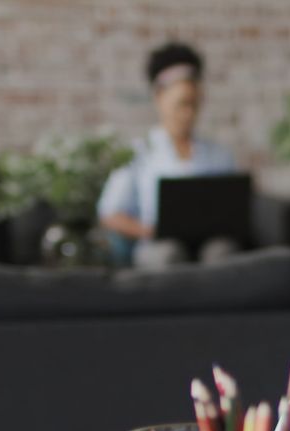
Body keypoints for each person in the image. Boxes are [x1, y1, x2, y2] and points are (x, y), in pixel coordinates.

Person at [97, 41, 238, 268]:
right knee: (169, 254)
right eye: (181, 104)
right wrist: (151, 230)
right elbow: (110, 214)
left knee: (222, 252)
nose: (188, 114)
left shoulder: (219, 154)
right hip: (158, 244)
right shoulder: (137, 153)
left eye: (194, 104)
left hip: (208, 243)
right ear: (159, 98)